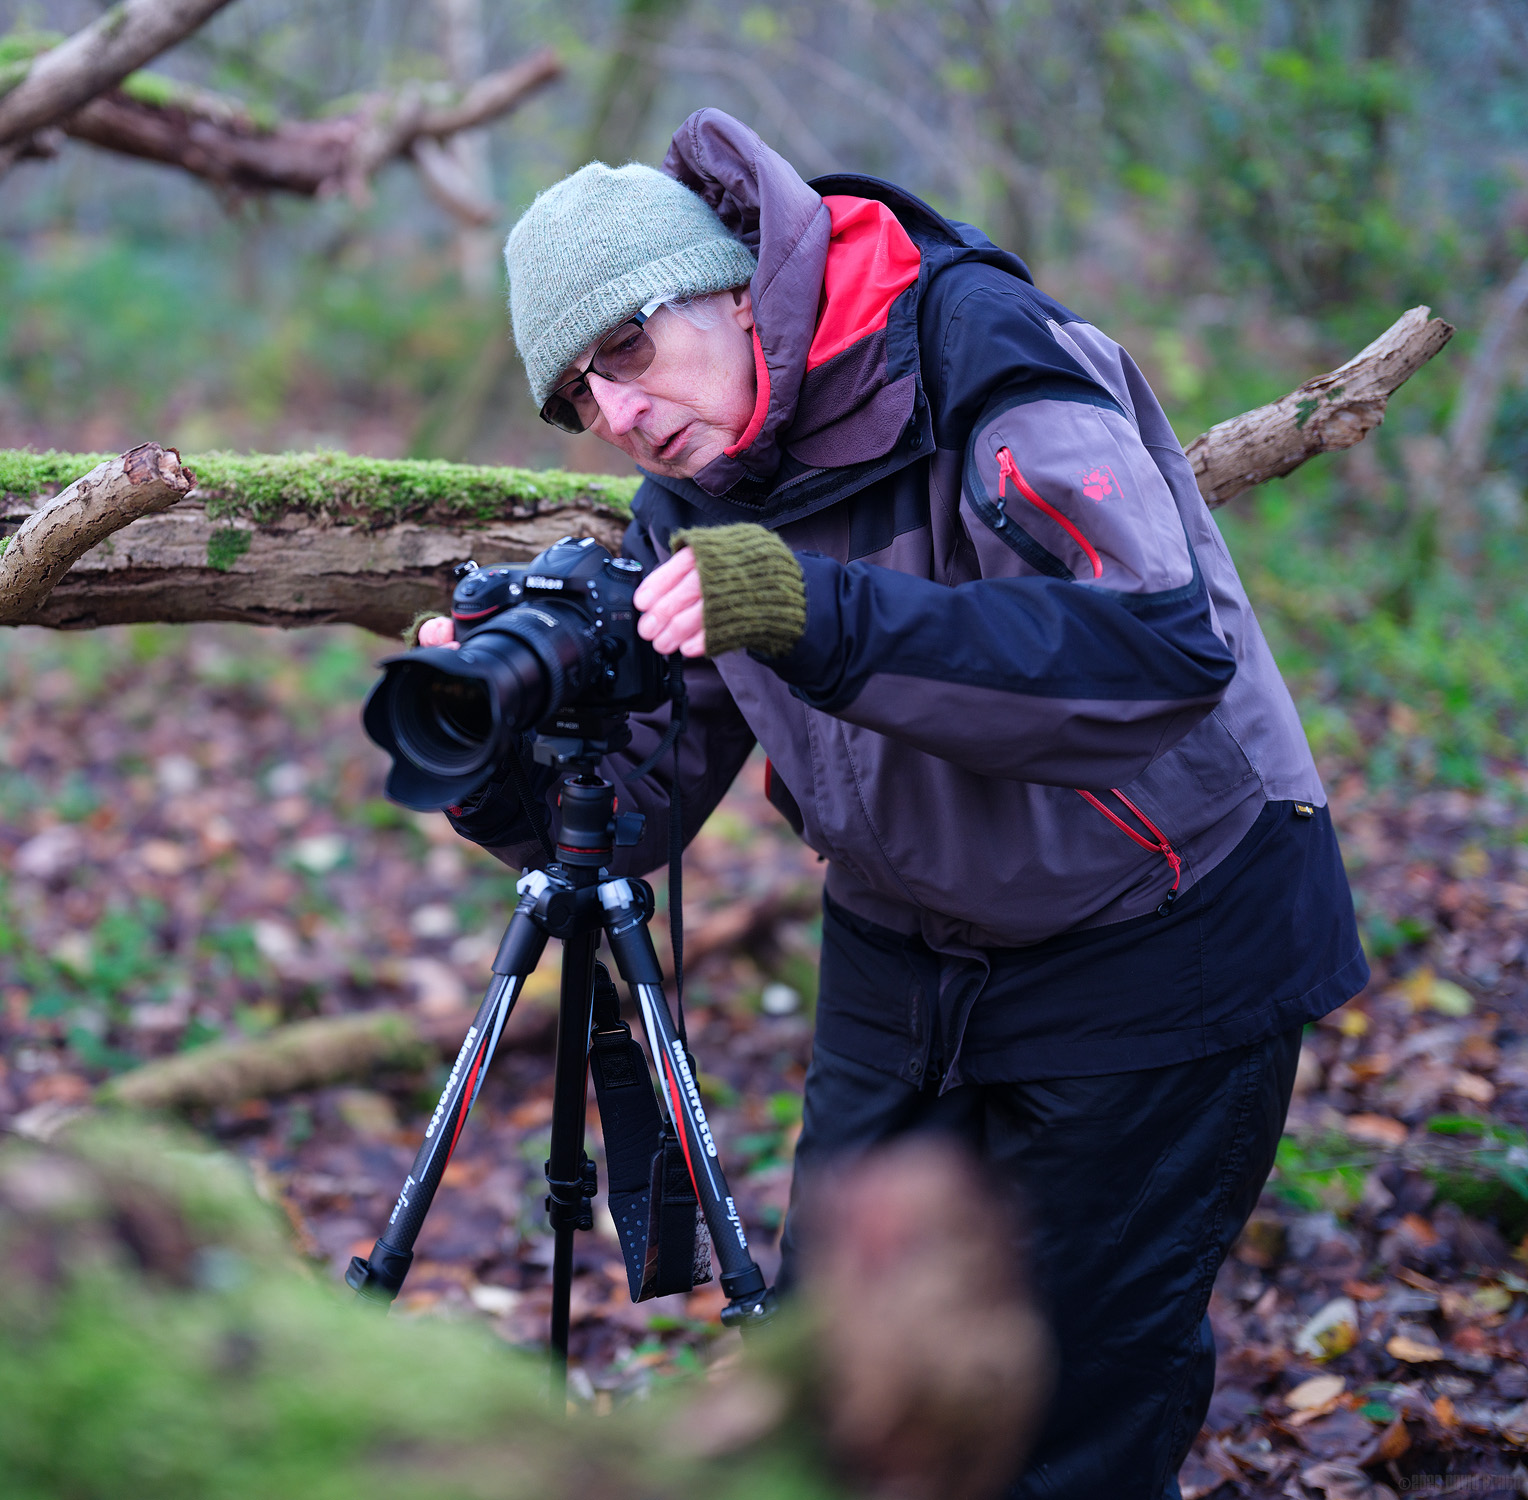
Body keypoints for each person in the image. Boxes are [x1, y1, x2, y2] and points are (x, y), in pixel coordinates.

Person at [415, 108, 1367, 1498]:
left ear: (733, 289)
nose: (616, 416)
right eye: (577, 401)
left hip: (1167, 929)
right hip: (904, 957)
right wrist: (498, 755)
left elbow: (1155, 655)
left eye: (625, 349)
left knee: (1068, 1417)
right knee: (839, 1393)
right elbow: (643, 811)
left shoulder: (975, 350)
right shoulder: (688, 499)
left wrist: (821, 615)